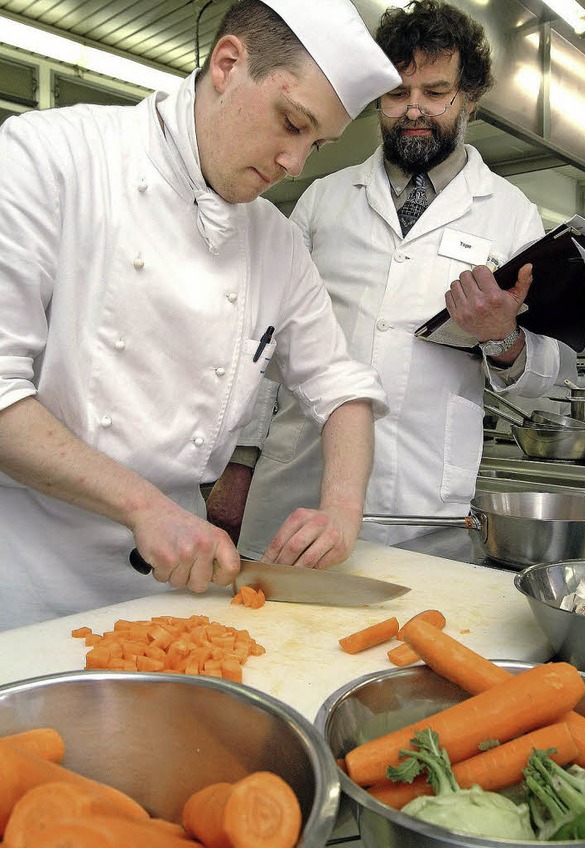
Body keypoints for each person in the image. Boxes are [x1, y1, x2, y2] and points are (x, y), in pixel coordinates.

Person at [0, 0, 402, 629]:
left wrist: (342, 509)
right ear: (227, 63)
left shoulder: (277, 243)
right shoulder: (48, 161)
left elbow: (340, 385)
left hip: (178, 583)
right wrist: (142, 505)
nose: (296, 164)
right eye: (292, 124)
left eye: (317, 143)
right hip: (27, 581)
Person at [213, 0, 578, 555]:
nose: (414, 110)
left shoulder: (512, 216)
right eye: (397, 93)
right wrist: (239, 464)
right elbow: (261, 344)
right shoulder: (323, 199)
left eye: (435, 93)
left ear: (469, 100)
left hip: (421, 509)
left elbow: (555, 383)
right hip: (298, 491)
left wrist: (504, 339)